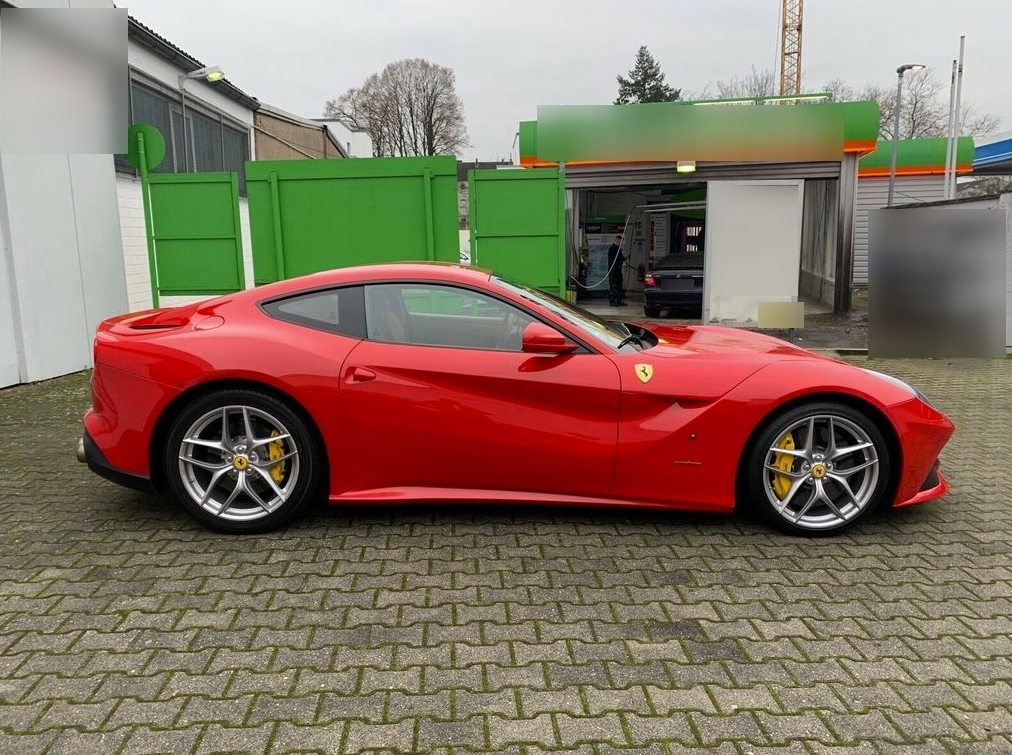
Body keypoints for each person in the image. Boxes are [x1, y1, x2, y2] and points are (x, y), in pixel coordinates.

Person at [607, 235, 627, 306]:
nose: (621, 243)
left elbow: (620, 257)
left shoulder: (619, 249)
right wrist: (619, 263)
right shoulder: (612, 249)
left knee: (619, 285)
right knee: (613, 286)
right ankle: (612, 301)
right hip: (613, 271)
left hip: (618, 270)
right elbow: (613, 260)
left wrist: (625, 259)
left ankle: (619, 300)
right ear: (617, 240)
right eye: (620, 241)